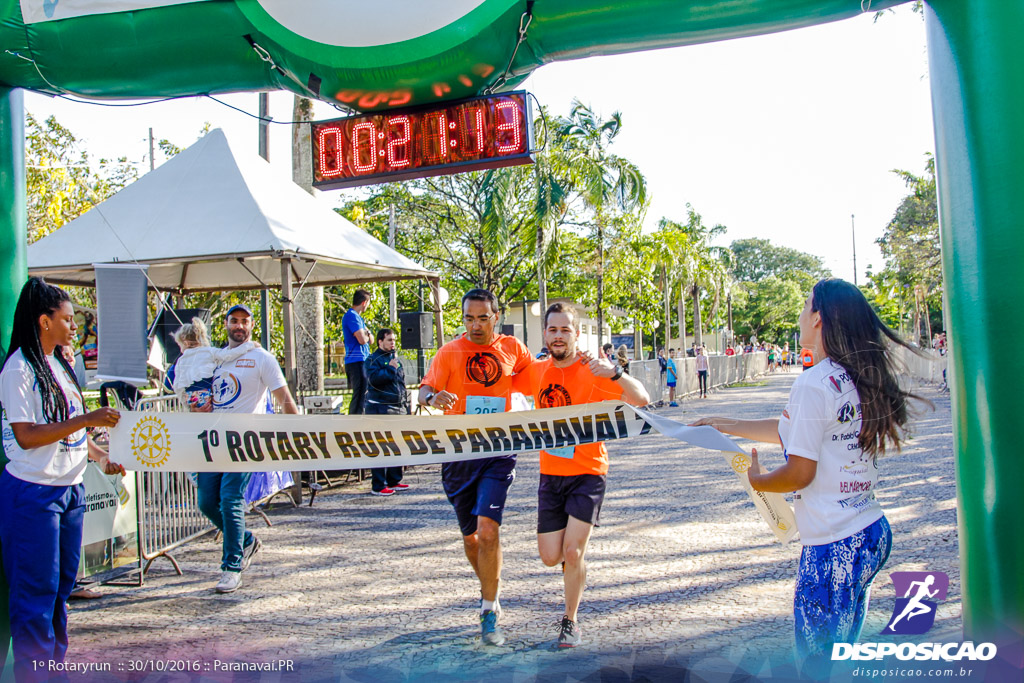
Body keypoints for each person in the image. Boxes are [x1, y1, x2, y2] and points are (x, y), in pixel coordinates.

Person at [691, 279, 925, 678]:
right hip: (869, 531)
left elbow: (800, 472)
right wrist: (725, 424)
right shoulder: (851, 376)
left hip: (834, 546)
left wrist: (759, 481)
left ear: (818, 318)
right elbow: (796, 430)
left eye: (805, 306)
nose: (800, 315)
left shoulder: (814, 382)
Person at [0, 277, 123, 681]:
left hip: (71, 490)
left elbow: (71, 432)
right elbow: (27, 434)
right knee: (35, 594)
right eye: (67, 319)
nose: (74, 327)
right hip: (33, 494)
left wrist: (102, 456)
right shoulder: (19, 367)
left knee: (60, 591)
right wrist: (88, 418)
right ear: (44, 321)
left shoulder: (60, 365)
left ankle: (56, 671)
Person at [517, 303, 649, 647]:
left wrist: (615, 373)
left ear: (576, 334)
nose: (558, 336)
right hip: (551, 474)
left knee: (573, 552)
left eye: (565, 330)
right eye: (552, 330)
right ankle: (572, 570)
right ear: (544, 334)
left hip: (588, 472)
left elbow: (643, 399)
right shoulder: (537, 371)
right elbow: (499, 387)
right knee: (551, 556)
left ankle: (570, 620)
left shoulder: (594, 370)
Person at [418, 288, 533, 647]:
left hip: (498, 451)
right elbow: (423, 391)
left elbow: (541, 376)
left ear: (495, 317)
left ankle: (487, 610)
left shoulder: (512, 349)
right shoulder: (449, 351)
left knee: (488, 531)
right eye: (469, 318)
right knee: (471, 538)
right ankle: (491, 588)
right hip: (458, 457)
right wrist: (433, 398)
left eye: (483, 318)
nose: (476, 325)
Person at [194, 304, 299, 594]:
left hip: (244, 442)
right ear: (225, 324)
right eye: (234, 321)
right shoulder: (215, 359)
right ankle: (246, 540)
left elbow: (284, 397)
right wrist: (198, 406)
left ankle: (231, 567)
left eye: (244, 321)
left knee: (230, 498)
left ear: (252, 325)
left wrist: (301, 432)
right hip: (212, 441)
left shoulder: (261, 358)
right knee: (205, 501)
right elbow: (205, 397)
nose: (239, 326)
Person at [166, 317, 258, 410]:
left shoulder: (181, 360)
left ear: (185, 342)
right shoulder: (209, 352)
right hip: (209, 395)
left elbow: (177, 386)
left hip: (192, 398)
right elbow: (229, 355)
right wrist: (249, 345)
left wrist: (187, 405)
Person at [365, 328, 411, 496]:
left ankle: (394, 480)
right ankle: (378, 484)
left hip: (397, 407)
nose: (393, 343)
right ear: (380, 342)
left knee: (396, 445)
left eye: (394, 340)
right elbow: (373, 380)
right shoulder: (372, 359)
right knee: (380, 446)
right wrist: (390, 368)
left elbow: (400, 383)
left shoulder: (395, 359)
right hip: (380, 408)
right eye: (389, 340)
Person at [343, 289, 373, 416]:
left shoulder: (359, 318)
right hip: (356, 360)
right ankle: (354, 421)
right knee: (359, 393)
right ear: (364, 302)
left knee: (364, 393)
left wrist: (367, 334)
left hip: (363, 360)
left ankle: (360, 418)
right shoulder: (351, 316)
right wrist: (365, 334)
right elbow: (362, 339)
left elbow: (370, 340)